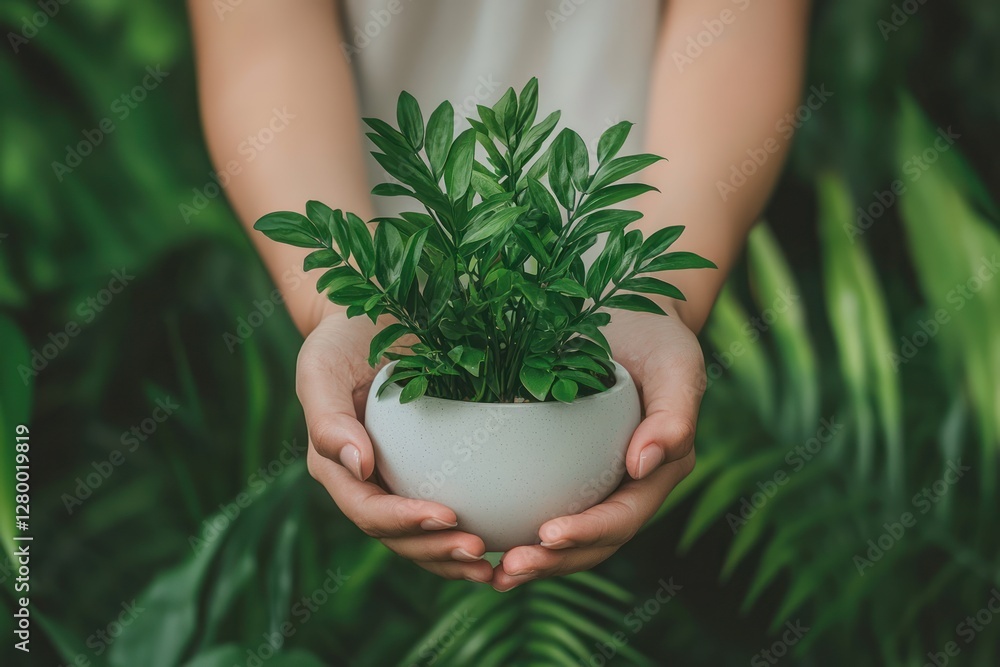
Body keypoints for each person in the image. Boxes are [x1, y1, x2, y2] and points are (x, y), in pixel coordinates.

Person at [188, 0, 808, 592]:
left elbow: (737, 25)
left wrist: (665, 299)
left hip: (626, 250)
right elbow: (260, 37)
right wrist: (343, 305)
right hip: (389, 278)